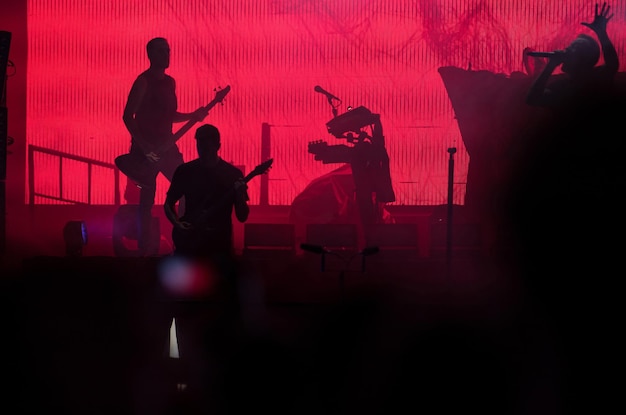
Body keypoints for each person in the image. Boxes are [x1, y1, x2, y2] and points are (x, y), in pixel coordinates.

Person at [503, 3, 623, 412]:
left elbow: (610, 62)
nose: (567, 52)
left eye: (572, 50)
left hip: (579, 178)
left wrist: (599, 36)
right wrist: (552, 64)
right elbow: (532, 98)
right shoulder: (570, 84)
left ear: (580, 59)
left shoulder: (589, 83)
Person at [122, 37, 209, 256]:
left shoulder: (170, 83)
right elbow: (127, 116)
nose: (166, 54)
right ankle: (144, 248)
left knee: (186, 189)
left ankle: (182, 240)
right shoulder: (143, 81)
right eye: (161, 51)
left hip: (167, 146)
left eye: (168, 50)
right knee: (146, 199)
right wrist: (144, 146)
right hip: (145, 150)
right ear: (150, 55)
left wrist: (192, 115)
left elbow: (170, 116)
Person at [164, 123, 249, 262]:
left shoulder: (233, 174)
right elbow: (168, 204)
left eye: (206, 147)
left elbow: (242, 216)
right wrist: (177, 224)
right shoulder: (185, 171)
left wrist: (240, 196)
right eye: (200, 146)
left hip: (219, 245)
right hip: (192, 245)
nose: (202, 151)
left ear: (217, 146)